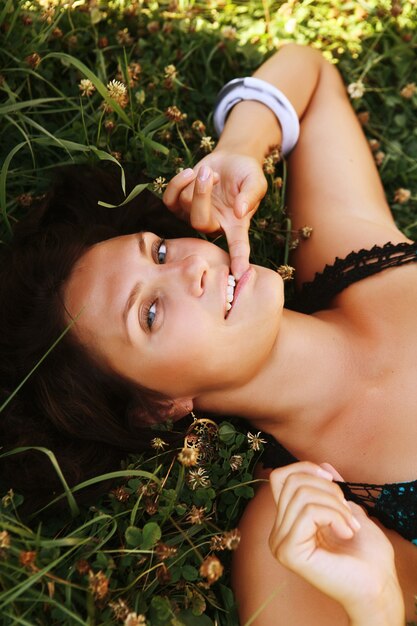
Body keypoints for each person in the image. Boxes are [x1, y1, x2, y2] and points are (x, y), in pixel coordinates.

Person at [0, 43, 412, 624]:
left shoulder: (353, 261)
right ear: (154, 406)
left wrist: (241, 146)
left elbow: (309, 73)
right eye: (148, 314)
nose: (192, 268)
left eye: (160, 251)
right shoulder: (297, 521)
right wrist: (376, 606)